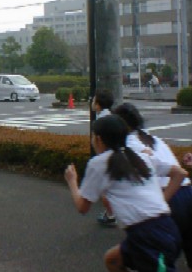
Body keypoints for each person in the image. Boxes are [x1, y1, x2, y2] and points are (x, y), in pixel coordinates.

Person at [64, 114, 186, 272]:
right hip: (167, 228)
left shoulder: (99, 163)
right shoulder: (139, 156)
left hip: (148, 237)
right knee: (112, 260)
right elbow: (180, 174)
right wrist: (161, 203)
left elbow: (82, 207)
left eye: (93, 136)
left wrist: (72, 181)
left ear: (99, 139)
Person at [114, 102, 192, 272]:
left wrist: (161, 206)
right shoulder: (150, 137)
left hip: (171, 196)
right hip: (188, 194)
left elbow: (155, 161)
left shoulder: (130, 142)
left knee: (158, 260)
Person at [91, 89, 115, 225]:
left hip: (107, 157)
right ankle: (111, 213)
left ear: (98, 105)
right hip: (115, 156)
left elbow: (97, 141)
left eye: (94, 100)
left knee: (105, 189)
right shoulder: (111, 116)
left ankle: (111, 215)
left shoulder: (100, 121)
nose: (92, 103)